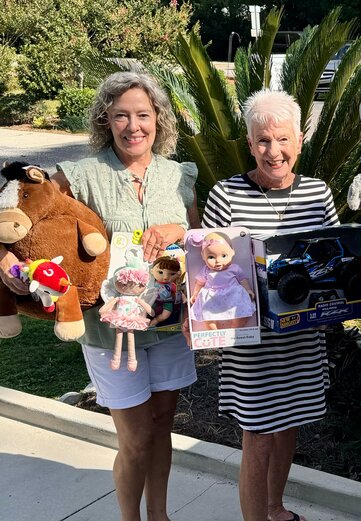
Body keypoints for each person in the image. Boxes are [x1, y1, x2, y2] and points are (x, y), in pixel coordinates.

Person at [0, 70, 200, 521]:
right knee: (135, 438)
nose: (134, 126)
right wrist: (7, 264)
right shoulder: (80, 175)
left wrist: (180, 229)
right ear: (105, 120)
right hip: (109, 333)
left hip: (168, 325)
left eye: (143, 115)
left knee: (162, 426)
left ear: (158, 120)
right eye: (121, 116)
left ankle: (160, 516)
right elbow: (23, 210)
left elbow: (201, 241)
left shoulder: (179, 176)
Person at [200, 89, 339, 521]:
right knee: (257, 438)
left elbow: (336, 258)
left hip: (302, 340)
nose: (273, 151)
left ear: (300, 140)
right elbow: (205, 270)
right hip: (250, 348)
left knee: (289, 428)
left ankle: (276, 507)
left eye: (282, 140)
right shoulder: (226, 195)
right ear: (249, 143)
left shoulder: (319, 194)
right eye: (262, 140)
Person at [187, 231, 255, 330]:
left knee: (241, 310)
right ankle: (213, 332)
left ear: (232, 252)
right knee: (207, 314)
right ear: (203, 256)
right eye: (211, 257)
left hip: (233, 293)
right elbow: (199, 283)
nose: (218, 261)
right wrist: (195, 294)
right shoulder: (206, 270)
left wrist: (248, 289)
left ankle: (235, 329)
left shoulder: (234, 268)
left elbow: (243, 280)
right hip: (211, 296)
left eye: (223, 256)